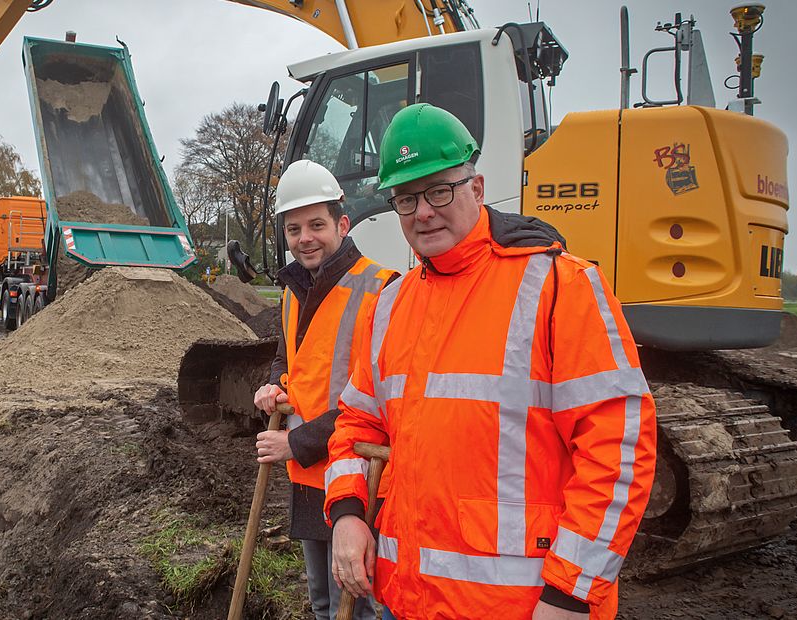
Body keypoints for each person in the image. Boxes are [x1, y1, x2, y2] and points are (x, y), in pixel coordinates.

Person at [324, 104, 656, 619]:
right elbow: (357, 422)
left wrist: (570, 593)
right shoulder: (390, 305)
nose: (424, 212)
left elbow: (619, 450)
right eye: (407, 198)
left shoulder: (559, 286)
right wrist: (347, 513)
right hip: (403, 600)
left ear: (477, 189)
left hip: (521, 606)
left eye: (439, 190)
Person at [253, 159, 398, 620]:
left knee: (355, 607)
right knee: (321, 603)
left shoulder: (382, 290)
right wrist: (273, 388)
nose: (305, 238)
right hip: (309, 476)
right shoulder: (294, 289)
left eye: (316, 224)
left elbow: (378, 400)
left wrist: (294, 442)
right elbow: (289, 361)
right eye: (294, 229)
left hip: (356, 476)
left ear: (342, 223)